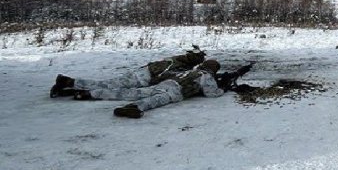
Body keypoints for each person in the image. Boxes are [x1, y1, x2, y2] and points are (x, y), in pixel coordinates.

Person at [72, 60, 233, 118]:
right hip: (174, 91)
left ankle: (89, 93)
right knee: (153, 101)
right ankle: (134, 108)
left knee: (129, 93)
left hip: (166, 83)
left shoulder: (190, 70)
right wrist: (224, 89)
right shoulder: (207, 76)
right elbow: (211, 93)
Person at [50, 46, 207, 98]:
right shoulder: (177, 64)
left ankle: (71, 89)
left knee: (109, 86)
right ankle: (69, 83)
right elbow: (161, 75)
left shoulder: (177, 59)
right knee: (109, 86)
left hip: (141, 74)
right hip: (141, 79)